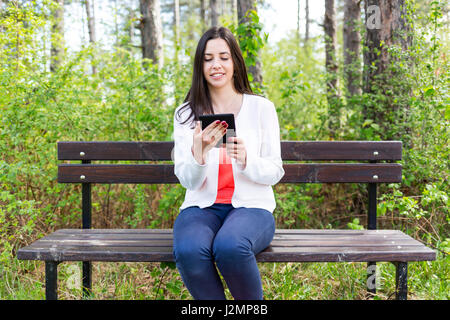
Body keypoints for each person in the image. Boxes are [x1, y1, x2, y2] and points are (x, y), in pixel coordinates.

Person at [172, 26, 285, 300]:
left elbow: (275, 171)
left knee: (231, 246)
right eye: (208, 58)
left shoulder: (261, 108)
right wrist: (198, 156)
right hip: (201, 207)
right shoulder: (186, 113)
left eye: (223, 57)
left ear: (235, 61)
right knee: (188, 250)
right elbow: (186, 179)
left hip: (252, 209)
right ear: (200, 65)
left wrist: (248, 159)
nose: (216, 65)